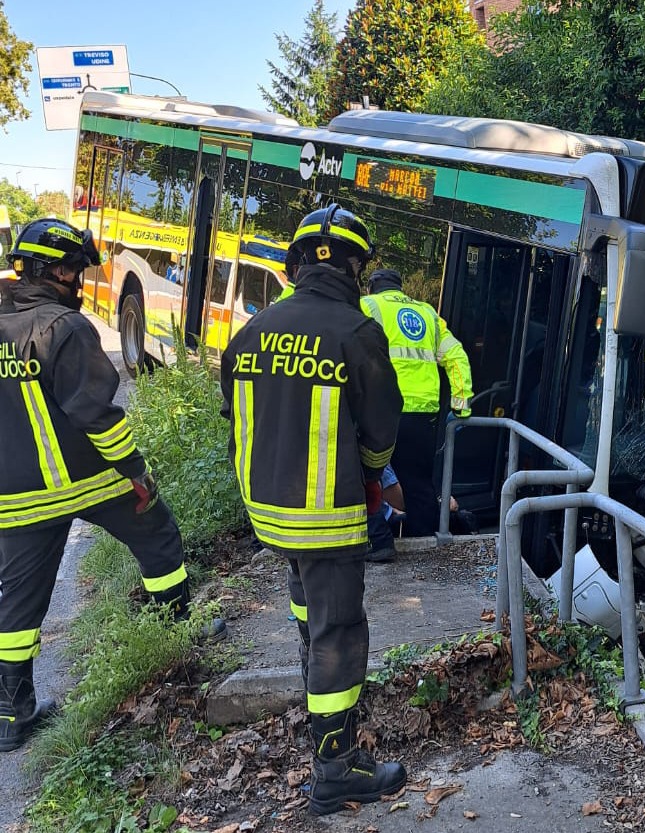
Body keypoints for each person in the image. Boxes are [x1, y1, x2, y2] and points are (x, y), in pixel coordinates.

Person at [1, 218, 221, 753]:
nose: (80, 280)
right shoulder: (66, 329)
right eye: (76, 269)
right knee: (160, 537)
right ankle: (175, 634)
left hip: (17, 494)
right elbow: (99, 417)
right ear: (53, 270)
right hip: (90, 478)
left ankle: (10, 714)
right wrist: (137, 472)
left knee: (18, 606)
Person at [219, 204, 406, 815]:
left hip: (268, 514)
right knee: (339, 633)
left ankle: (313, 677)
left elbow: (239, 419)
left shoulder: (249, 331)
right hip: (326, 516)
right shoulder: (356, 332)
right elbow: (380, 429)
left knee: (307, 610)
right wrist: (373, 479)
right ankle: (336, 767)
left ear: (297, 263)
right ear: (355, 267)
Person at [361, 269, 474, 539]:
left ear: (371, 288)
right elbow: (457, 356)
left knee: (366, 476)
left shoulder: (367, 306)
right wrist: (461, 407)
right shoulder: (427, 313)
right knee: (419, 485)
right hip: (423, 416)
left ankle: (375, 539)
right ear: (401, 289)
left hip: (381, 411)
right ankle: (421, 544)